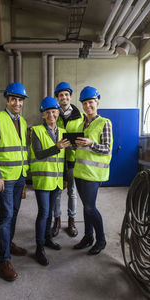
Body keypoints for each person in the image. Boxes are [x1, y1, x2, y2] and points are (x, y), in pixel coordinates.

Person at [0, 82, 29, 281]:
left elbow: (21, 150)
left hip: (19, 176)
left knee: (15, 213)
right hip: (5, 179)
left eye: (20, 100)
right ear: (7, 100)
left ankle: (8, 243)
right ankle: (4, 259)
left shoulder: (23, 122)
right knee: (6, 216)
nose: (17, 103)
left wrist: (24, 174)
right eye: (13, 99)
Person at [30, 96, 70, 266]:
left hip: (57, 180)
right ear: (43, 115)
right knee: (43, 213)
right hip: (43, 180)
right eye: (48, 112)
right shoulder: (36, 131)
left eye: (54, 112)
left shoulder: (62, 131)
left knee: (52, 213)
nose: (52, 115)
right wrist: (57, 147)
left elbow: (65, 156)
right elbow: (39, 154)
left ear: (58, 113)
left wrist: (66, 177)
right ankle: (39, 248)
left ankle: (47, 239)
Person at [73, 86, 113, 255]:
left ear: (97, 102)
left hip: (93, 174)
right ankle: (88, 236)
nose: (88, 106)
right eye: (85, 103)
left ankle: (101, 239)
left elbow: (107, 149)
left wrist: (91, 143)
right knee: (85, 207)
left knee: (90, 208)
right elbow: (82, 149)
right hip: (80, 172)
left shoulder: (104, 122)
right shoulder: (83, 123)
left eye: (91, 102)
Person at [51, 82, 83, 237]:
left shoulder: (80, 116)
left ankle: (71, 221)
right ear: (57, 98)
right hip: (57, 160)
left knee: (72, 192)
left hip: (72, 160)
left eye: (66, 94)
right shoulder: (53, 114)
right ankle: (57, 221)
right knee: (57, 192)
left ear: (70, 96)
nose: (63, 97)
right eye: (60, 95)